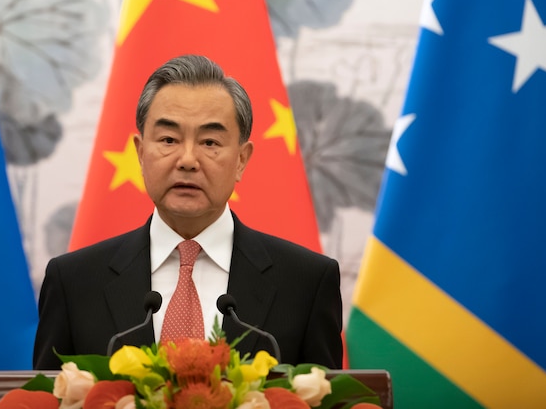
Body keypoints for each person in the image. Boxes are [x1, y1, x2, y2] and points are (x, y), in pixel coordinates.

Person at [33, 54, 343, 369]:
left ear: (241, 160)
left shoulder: (306, 283)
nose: (188, 160)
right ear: (140, 153)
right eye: (169, 139)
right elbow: (41, 399)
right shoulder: (74, 282)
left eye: (210, 142)